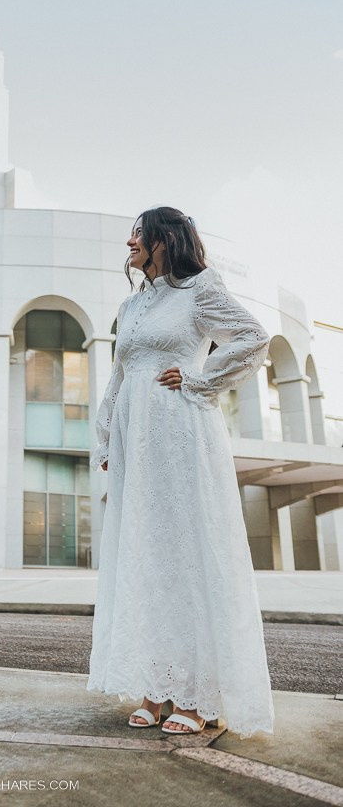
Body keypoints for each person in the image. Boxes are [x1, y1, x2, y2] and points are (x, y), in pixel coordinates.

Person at [88, 207, 273, 737]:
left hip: (181, 430)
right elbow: (119, 374)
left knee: (187, 552)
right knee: (147, 554)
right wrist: (106, 436)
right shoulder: (131, 304)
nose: (129, 241)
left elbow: (251, 336)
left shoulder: (200, 290)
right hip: (135, 439)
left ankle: (199, 694)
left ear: (164, 240)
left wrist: (199, 379)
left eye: (138, 233)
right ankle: (158, 686)